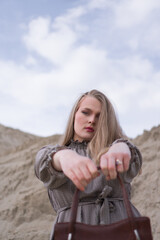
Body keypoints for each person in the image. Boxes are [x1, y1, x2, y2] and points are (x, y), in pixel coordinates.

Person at [35, 89, 142, 240]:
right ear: (74, 115)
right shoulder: (52, 154)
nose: (92, 120)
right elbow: (44, 162)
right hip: (74, 232)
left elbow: (133, 159)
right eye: (86, 112)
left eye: (99, 116)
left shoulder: (116, 150)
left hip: (122, 229)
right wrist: (64, 156)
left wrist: (123, 146)